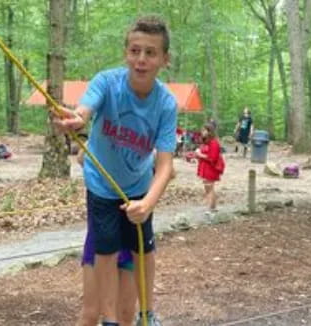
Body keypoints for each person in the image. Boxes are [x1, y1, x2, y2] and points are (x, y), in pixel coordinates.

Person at [54, 15, 176, 326]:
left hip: (138, 187)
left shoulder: (166, 104)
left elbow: (165, 165)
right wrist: (78, 118)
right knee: (105, 250)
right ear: (126, 52)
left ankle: (146, 314)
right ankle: (108, 320)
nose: (141, 59)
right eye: (135, 51)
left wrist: (148, 204)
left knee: (142, 247)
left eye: (150, 53)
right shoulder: (107, 82)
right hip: (102, 187)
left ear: (165, 59)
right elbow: (86, 107)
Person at [76, 147, 138, 326]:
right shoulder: (99, 140)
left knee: (125, 315)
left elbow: (169, 171)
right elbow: (81, 158)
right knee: (91, 314)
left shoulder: (143, 146)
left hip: (130, 240)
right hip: (100, 241)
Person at [195, 123, 221, 213]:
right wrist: (197, 155)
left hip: (211, 168)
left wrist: (200, 154)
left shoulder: (214, 143)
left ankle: (210, 208)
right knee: (208, 188)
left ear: (209, 131)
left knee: (209, 187)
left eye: (204, 130)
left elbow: (212, 158)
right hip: (205, 168)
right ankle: (213, 206)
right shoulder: (205, 141)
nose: (202, 132)